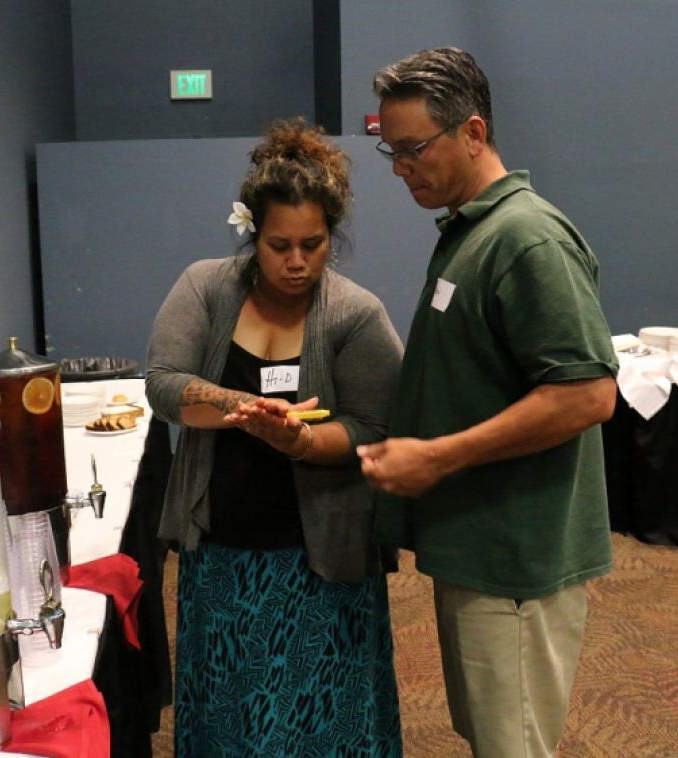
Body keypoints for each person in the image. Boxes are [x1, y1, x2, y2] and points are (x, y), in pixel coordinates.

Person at [357, 48, 618, 757]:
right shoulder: (471, 232)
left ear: (473, 133)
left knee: (515, 745)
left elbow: (588, 394)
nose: (400, 168)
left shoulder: (527, 239)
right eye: (391, 150)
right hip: (478, 549)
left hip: (517, 562)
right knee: (493, 738)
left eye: (413, 149)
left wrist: (438, 457)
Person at [146, 117, 404, 756]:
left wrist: (299, 442)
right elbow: (165, 385)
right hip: (223, 552)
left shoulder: (355, 314)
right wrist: (244, 407)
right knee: (229, 709)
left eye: (312, 245)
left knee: (320, 716)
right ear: (251, 234)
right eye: (278, 245)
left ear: (331, 238)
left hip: (319, 559)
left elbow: (373, 427)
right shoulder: (206, 288)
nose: (296, 262)